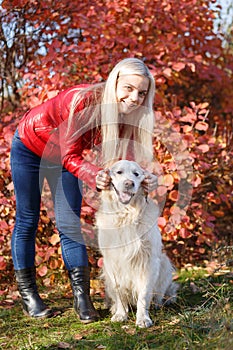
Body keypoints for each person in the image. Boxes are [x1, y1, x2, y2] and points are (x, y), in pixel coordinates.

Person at [10, 57, 158, 322]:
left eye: (142, 92)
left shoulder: (129, 114)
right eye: (129, 88)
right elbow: (71, 155)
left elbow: (127, 160)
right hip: (31, 147)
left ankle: (83, 299)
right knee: (27, 220)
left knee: (69, 225)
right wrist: (97, 176)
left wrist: (143, 179)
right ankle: (29, 295)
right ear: (114, 82)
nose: (135, 97)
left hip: (69, 157)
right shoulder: (81, 101)